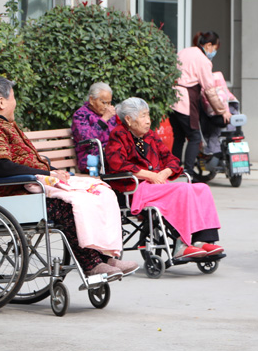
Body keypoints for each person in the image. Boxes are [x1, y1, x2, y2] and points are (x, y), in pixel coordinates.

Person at [0, 75, 138, 279]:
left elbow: (27, 161)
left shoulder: (2, 125)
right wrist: (46, 174)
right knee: (69, 206)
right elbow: (1, 167)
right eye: (13, 97)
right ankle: (91, 263)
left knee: (97, 191)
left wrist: (53, 171)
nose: (15, 103)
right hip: (10, 195)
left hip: (28, 188)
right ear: (1, 102)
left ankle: (104, 256)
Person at [105, 97, 225, 258]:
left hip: (157, 185)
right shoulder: (118, 135)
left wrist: (165, 172)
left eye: (148, 115)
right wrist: (150, 175)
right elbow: (117, 163)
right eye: (143, 116)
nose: (148, 121)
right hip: (136, 188)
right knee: (181, 189)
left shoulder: (150, 135)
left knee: (202, 188)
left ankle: (202, 240)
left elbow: (172, 159)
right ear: (128, 119)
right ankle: (181, 244)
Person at [170, 31, 231, 175]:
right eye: (215, 49)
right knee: (195, 137)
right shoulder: (203, 60)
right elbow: (210, 90)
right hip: (186, 100)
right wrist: (222, 111)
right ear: (209, 45)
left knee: (178, 137)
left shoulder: (184, 51)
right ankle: (189, 172)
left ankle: (173, 170)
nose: (214, 52)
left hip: (171, 99)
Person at [71, 82, 117, 173]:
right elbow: (87, 139)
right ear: (92, 100)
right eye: (104, 103)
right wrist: (104, 119)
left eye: (109, 103)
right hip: (91, 158)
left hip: (111, 155)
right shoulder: (80, 115)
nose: (107, 107)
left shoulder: (111, 115)